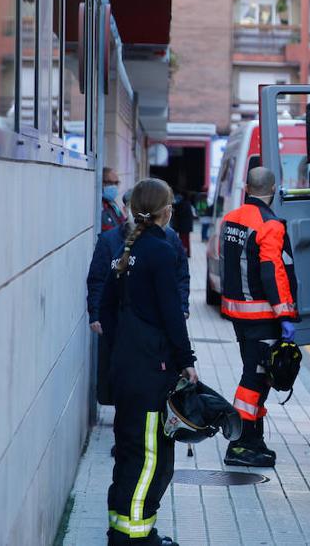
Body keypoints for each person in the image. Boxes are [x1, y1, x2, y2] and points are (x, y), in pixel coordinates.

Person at [98, 178, 196, 546]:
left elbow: (105, 307)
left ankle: (119, 530)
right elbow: (173, 315)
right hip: (151, 371)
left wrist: (123, 342)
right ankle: (136, 538)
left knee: (127, 451)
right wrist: (186, 360)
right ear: (164, 210)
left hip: (125, 368)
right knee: (150, 457)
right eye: (171, 204)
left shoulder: (128, 248)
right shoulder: (160, 250)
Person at [219, 166, 299, 467]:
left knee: (257, 373)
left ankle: (253, 438)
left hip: (239, 314)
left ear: (247, 187)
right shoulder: (270, 225)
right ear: (274, 189)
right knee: (255, 377)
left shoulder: (231, 219)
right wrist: (285, 314)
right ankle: (240, 443)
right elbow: (272, 272)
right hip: (262, 316)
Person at [88, 196, 191, 337]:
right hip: (118, 323)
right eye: (135, 207)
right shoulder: (109, 240)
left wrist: (182, 307)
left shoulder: (169, 238)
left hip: (158, 322)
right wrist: (95, 314)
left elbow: (181, 275)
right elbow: (97, 279)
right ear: (125, 209)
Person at [101, 167, 127, 232]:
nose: (114, 186)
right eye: (110, 183)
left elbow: (121, 222)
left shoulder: (112, 204)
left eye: (116, 183)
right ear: (102, 183)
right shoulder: (99, 206)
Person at [172, 190, 195, 256]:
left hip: (183, 226)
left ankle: (184, 253)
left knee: (183, 240)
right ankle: (187, 253)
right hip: (186, 226)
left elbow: (180, 213)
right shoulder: (187, 203)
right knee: (186, 240)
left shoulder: (183, 204)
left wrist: (175, 210)